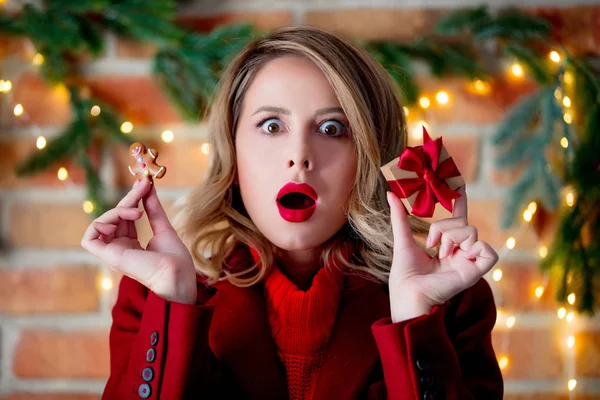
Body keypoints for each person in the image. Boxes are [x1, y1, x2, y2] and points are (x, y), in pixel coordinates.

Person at [81, 26, 503, 400]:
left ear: (370, 159)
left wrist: (415, 317)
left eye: (332, 129)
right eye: (271, 126)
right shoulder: (155, 296)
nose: (299, 157)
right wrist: (173, 296)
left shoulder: (449, 302)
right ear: (234, 152)